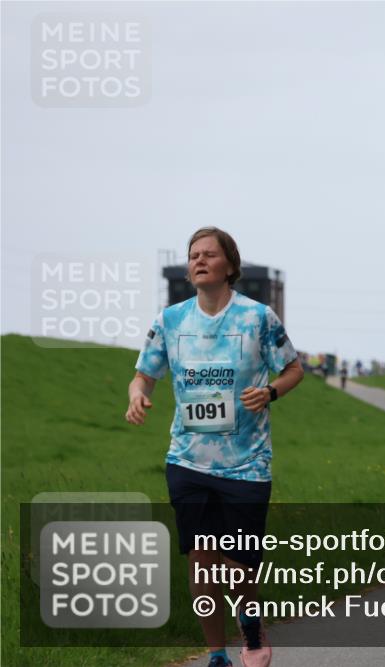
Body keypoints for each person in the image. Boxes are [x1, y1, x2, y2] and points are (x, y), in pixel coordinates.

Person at [125, 228, 304, 667]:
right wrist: (137, 394)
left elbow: (294, 370)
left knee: (240, 568)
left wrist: (271, 393)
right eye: (193, 255)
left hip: (246, 463)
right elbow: (143, 374)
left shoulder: (258, 317)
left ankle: (250, 630)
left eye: (209, 254)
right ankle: (216, 653)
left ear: (230, 265)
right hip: (187, 460)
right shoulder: (171, 320)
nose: (199, 260)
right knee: (202, 560)